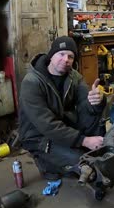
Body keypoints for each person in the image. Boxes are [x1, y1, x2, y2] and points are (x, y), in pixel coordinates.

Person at [18, 36, 106, 179]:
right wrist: (84, 141)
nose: (66, 60)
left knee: (92, 111)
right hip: (39, 136)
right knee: (82, 163)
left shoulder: (73, 76)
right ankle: (46, 164)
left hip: (63, 126)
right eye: (61, 54)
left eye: (70, 56)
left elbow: (86, 106)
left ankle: (89, 147)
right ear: (51, 56)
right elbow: (47, 125)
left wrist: (97, 100)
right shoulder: (32, 83)